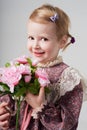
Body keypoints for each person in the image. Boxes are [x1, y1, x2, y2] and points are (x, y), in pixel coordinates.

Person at [0, 3, 86, 130]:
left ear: (62, 41)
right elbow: (11, 105)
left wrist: (40, 106)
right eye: (31, 37)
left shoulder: (67, 77)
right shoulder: (22, 70)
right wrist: (5, 113)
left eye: (44, 39)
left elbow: (67, 124)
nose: (35, 45)